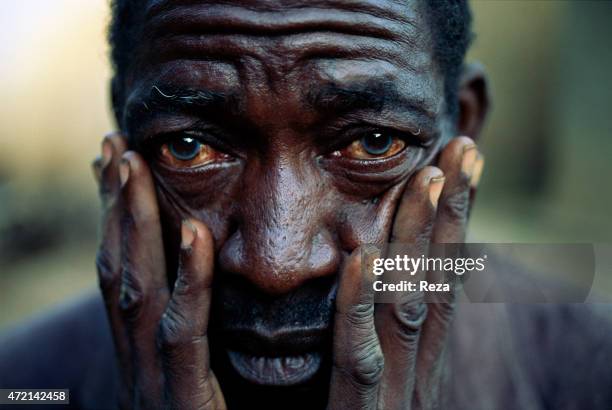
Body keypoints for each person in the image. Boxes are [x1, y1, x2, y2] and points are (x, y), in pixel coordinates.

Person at [1, 1, 612, 409]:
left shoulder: (588, 376)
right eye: (189, 148)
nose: (276, 264)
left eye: (373, 142)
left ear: (464, 132)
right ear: (124, 138)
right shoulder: (28, 385)